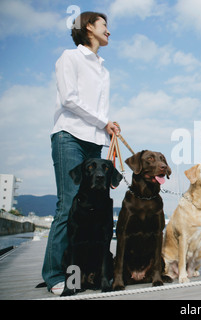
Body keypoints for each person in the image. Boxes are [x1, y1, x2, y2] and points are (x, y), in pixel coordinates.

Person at [42, 11, 120, 295]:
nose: (108, 31)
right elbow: (69, 99)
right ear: (89, 27)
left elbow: (98, 109)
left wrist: (106, 128)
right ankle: (55, 277)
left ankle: (89, 277)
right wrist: (104, 122)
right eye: (104, 26)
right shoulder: (69, 57)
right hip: (69, 137)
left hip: (95, 140)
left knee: (98, 207)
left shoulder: (104, 68)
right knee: (68, 205)